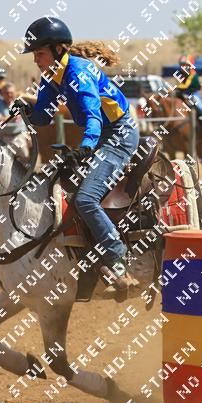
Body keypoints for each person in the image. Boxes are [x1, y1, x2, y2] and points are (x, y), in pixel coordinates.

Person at [17, 17, 139, 292]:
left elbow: (93, 116)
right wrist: (26, 110)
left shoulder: (78, 73)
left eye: (40, 53)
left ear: (58, 49)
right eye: (34, 54)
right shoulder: (51, 77)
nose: (36, 60)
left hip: (118, 135)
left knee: (85, 199)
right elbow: (44, 116)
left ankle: (118, 258)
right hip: (100, 137)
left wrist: (86, 147)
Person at [174, 54, 202, 136]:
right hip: (184, 93)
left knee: (199, 106)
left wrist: (175, 88)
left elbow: (186, 86)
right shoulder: (181, 74)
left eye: (185, 65)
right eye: (181, 65)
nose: (182, 67)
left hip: (194, 94)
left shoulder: (193, 74)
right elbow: (181, 85)